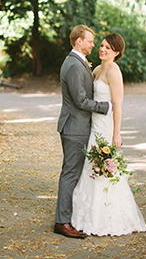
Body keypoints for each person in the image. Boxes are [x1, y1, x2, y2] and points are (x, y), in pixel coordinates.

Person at [71, 33, 146, 236]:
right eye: (101, 45)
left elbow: (117, 106)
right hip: (92, 125)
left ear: (116, 52)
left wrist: (117, 134)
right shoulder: (97, 69)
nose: (102, 49)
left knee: (104, 169)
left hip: (105, 127)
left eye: (108, 47)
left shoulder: (114, 72)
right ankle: (85, 214)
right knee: (90, 167)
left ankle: (104, 217)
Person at [54, 25, 110, 239]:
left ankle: (67, 217)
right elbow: (80, 101)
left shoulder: (77, 62)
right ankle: (62, 222)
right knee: (70, 174)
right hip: (74, 128)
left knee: (71, 173)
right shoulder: (75, 65)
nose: (93, 44)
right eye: (90, 41)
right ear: (79, 41)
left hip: (76, 126)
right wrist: (104, 107)